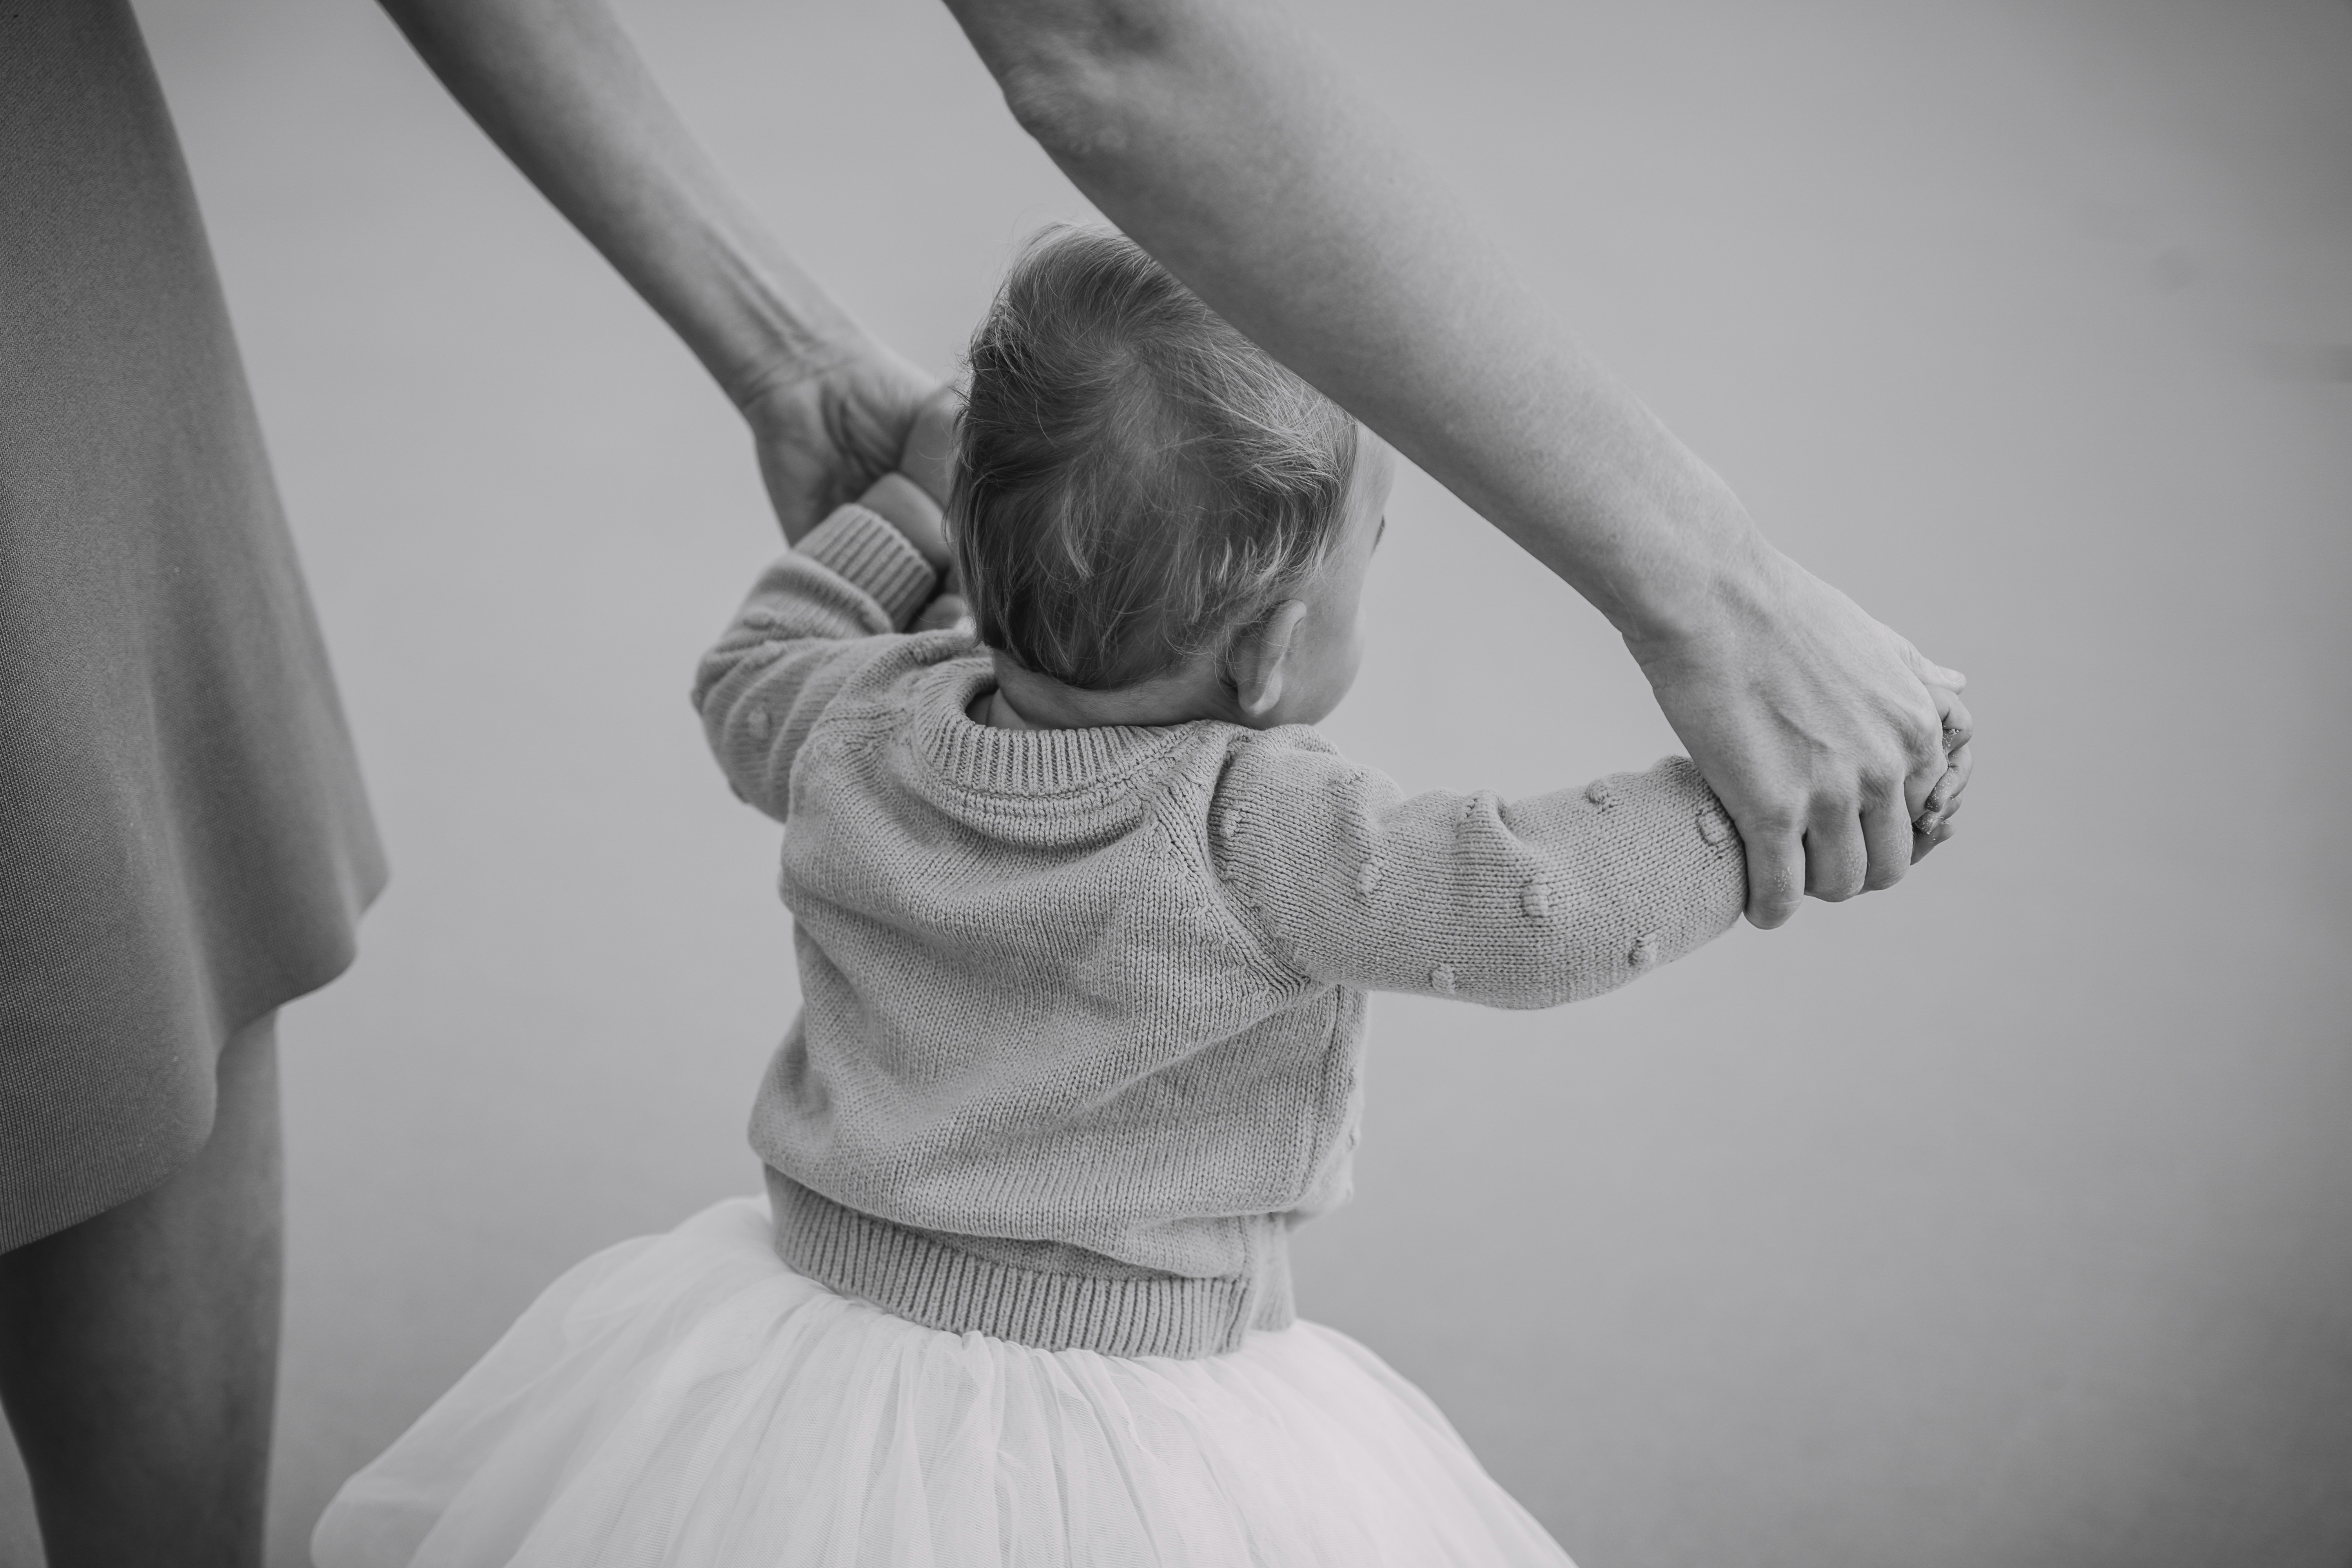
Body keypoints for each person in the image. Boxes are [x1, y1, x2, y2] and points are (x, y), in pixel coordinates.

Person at [4, 0, 1965, 1561]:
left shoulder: (858, 726)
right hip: (1147, 1424)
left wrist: (901, 503)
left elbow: (747, 665)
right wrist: (1740, 806)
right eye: (1380, 540)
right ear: (1273, 656)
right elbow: (1535, 902)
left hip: (793, 1367)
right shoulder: (1266, 836)